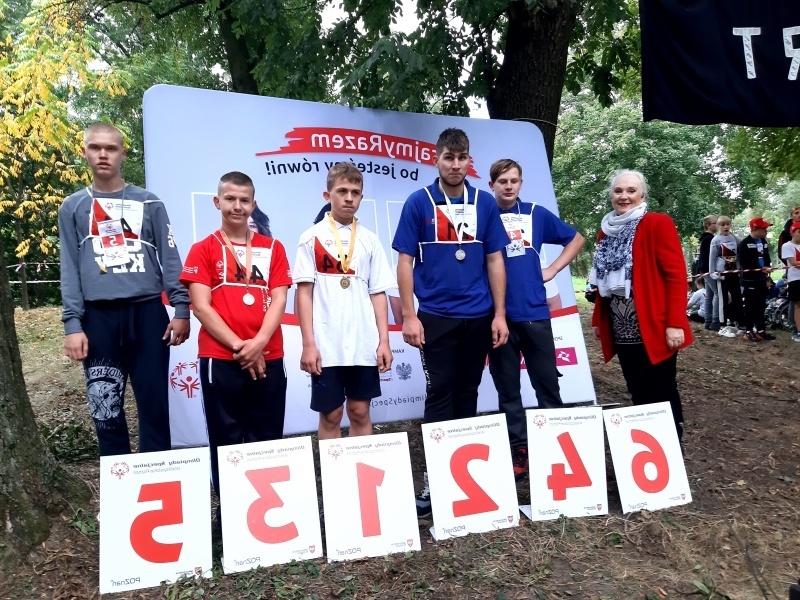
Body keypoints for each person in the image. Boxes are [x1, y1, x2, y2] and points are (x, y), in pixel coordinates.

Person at [392, 128, 509, 517]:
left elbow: (495, 259)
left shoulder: (484, 203)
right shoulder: (418, 202)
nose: (455, 165)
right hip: (435, 318)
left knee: (468, 392)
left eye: (462, 158)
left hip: (478, 316)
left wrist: (499, 314)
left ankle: (462, 480)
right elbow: (404, 261)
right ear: (436, 159)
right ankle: (434, 480)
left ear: (469, 161)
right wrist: (409, 315)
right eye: (448, 157)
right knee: (440, 393)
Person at [59, 122, 190, 456]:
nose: (103, 154)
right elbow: (69, 267)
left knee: (155, 406)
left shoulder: (149, 202)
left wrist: (181, 309)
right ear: (85, 152)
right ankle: (117, 480)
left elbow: (170, 257)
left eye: (111, 148)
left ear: (123, 154)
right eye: (95, 147)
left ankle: (156, 476)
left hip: (147, 315)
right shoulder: (73, 206)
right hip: (98, 318)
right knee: (105, 409)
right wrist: (72, 324)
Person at [180, 170, 291, 500]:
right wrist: (242, 347)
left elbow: (280, 299)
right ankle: (229, 513)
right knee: (225, 440)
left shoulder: (274, 247)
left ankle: (267, 515)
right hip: (221, 359)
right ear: (217, 202)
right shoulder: (203, 249)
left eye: (244, 200)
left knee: (267, 438)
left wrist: (259, 344)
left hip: (269, 356)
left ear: (254, 205)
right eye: (230, 199)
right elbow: (201, 307)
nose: (237, 206)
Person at [486, 159, 584, 481]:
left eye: (514, 180)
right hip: (498, 318)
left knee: (547, 385)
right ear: (491, 185)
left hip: (535, 315)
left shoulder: (535, 214)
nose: (509, 186)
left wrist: (553, 269)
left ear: (521, 183)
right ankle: (518, 450)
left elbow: (576, 239)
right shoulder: (483, 215)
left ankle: (556, 450)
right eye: (502, 181)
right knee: (508, 390)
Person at [293, 162, 395, 439]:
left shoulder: (370, 240)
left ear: (361, 197)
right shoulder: (310, 238)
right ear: (328, 195)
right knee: (332, 415)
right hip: (326, 344)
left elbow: (378, 293)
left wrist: (384, 341)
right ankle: (334, 467)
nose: (349, 198)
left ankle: (361, 467)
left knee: (360, 411)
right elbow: (303, 293)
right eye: (342, 191)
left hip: (363, 342)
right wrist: (308, 344)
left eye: (355, 192)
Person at [589, 169, 692, 441]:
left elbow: (676, 276)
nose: (624, 196)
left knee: (662, 390)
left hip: (655, 326)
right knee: (637, 390)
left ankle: (672, 447)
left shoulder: (657, 223)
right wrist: (599, 319)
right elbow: (603, 281)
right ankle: (649, 449)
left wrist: (675, 323)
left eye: (631, 191)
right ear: (611, 195)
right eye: (618, 191)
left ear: (642, 195)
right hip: (621, 328)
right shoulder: (605, 232)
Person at [739, 217, 774, 342]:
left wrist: (767, 269)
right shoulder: (744, 243)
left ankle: (761, 330)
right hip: (750, 280)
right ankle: (749, 331)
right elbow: (744, 262)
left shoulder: (763, 242)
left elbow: (766, 257)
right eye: (763, 229)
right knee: (750, 306)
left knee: (761, 305)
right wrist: (759, 269)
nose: (766, 231)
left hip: (762, 279)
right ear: (755, 229)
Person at [708, 216, 743, 338]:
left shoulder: (734, 238)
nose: (725, 227)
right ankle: (722, 325)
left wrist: (740, 270)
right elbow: (712, 257)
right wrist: (712, 272)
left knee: (737, 298)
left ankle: (739, 323)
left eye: (727, 224)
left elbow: (739, 255)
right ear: (718, 226)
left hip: (734, 272)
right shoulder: (716, 240)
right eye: (722, 225)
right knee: (723, 299)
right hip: (721, 274)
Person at [698, 214, 719, 330]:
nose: (717, 225)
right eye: (715, 223)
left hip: (705, 270)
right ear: (708, 225)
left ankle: (708, 320)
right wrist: (711, 271)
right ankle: (715, 321)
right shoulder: (709, 239)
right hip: (709, 271)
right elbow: (708, 257)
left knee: (709, 295)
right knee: (717, 294)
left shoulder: (706, 239)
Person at [781, 222, 800, 342]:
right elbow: (793, 262)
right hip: (795, 278)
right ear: (792, 233)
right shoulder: (787, 246)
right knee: (797, 305)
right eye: (799, 232)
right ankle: (797, 331)